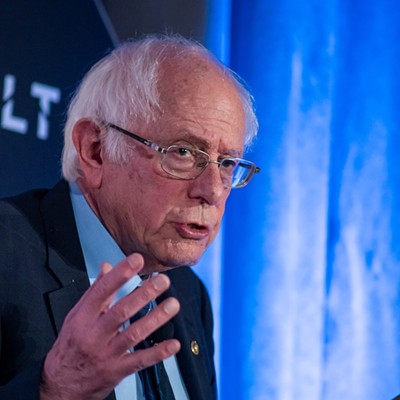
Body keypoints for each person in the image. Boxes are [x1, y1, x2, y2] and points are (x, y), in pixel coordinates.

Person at [0, 35, 259, 399]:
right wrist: (55, 390)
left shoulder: (187, 292)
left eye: (227, 163)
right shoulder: (7, 256)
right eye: (183, 152)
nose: (213, 190)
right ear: (96, 150)